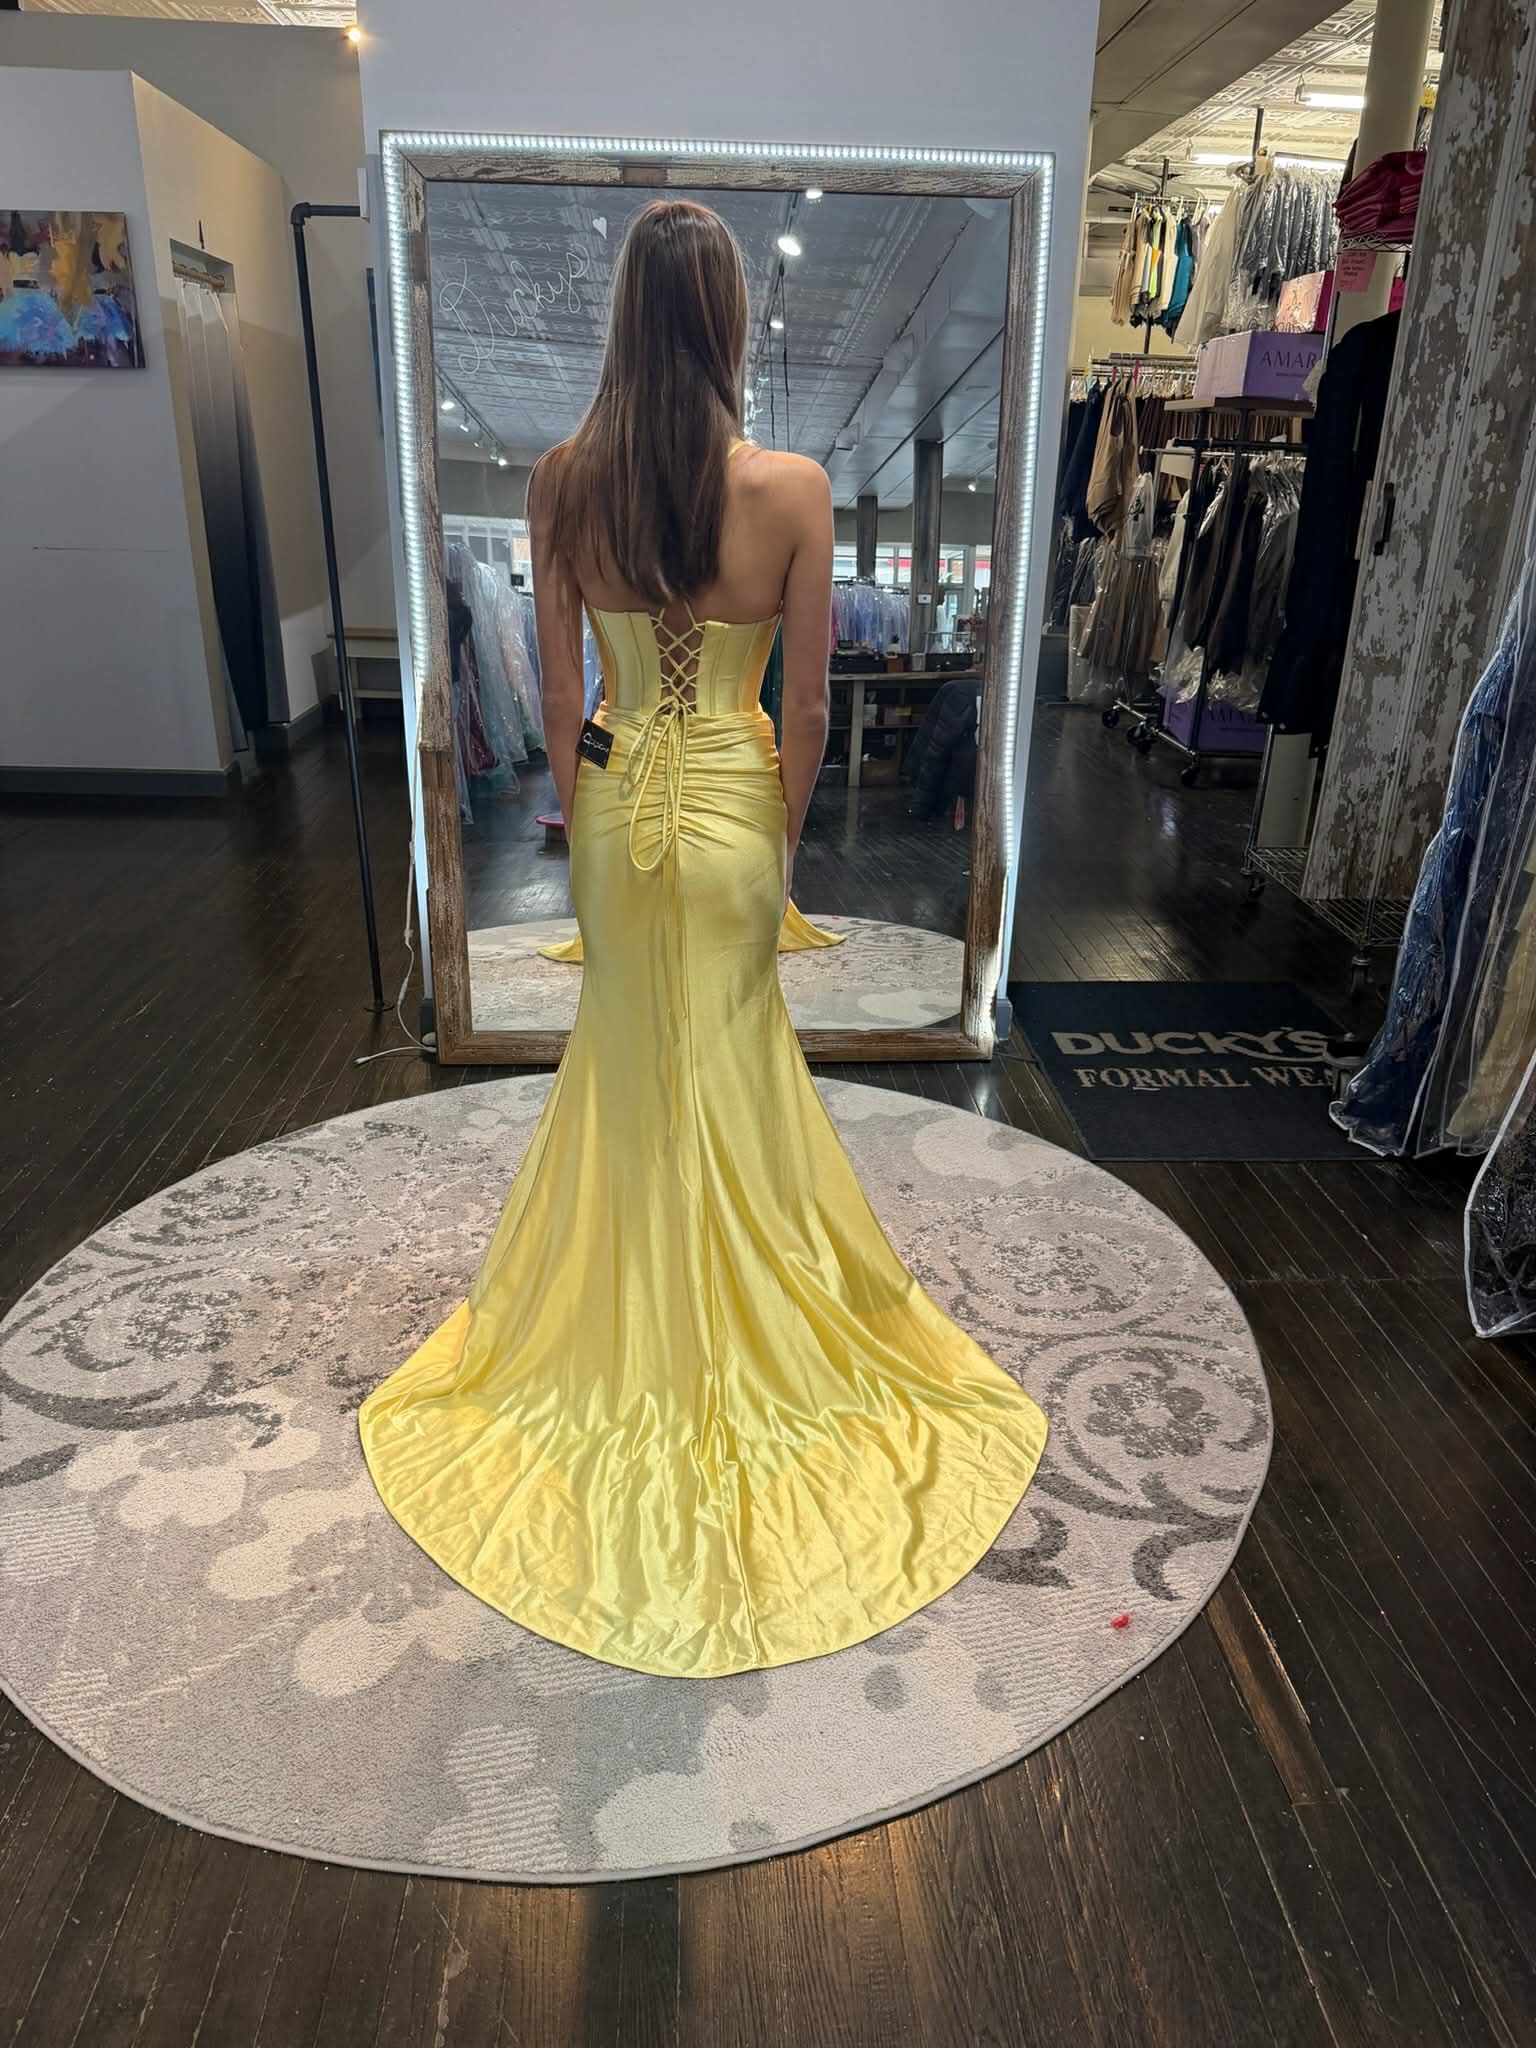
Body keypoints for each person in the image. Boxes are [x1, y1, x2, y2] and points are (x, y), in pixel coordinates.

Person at [359, 200, 1046, 1679]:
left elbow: (563, 701)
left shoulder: (562, 483)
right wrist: (777, 839)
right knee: (732, 1056)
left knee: (625, 1055)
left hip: (615, 813)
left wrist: (591, 805)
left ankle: (626, 1321)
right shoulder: (792, 490)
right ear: (729, 321)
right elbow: (804, 708)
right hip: (735, 808)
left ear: (625, 319)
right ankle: (744, 1313)